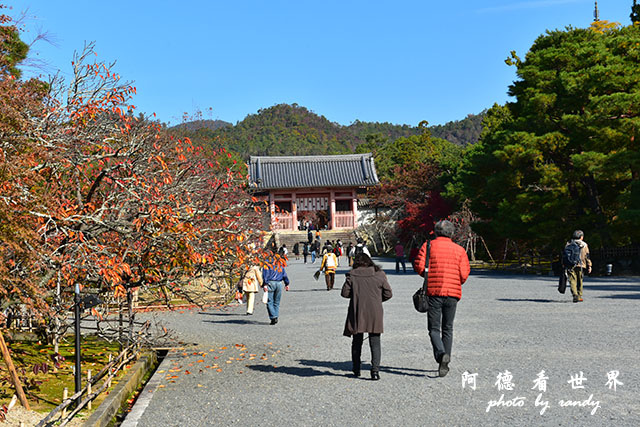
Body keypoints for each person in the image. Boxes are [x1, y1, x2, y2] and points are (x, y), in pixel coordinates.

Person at [413, 220, 470, 378]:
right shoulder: (459, 250)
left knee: (433, 329)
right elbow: (464, 274)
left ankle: (440, 354)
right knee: (448, 328)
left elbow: (419, 266)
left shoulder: (428, 246)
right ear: (451, 233)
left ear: (436, 232)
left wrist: (428, 276)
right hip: (453, 293)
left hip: (434, 291)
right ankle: (445, 359)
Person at [341, 253, 393, 380]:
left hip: (357, 310)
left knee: (357, 341)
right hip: (375, 311)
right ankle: (375, 371)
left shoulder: (352, 275)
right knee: (375, 342)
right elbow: (388, 293)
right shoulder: (379, 274)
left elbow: (344, 293)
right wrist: (377, 300)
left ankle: (356, 368)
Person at [565, 230, 592, 303]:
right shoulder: (584, 245)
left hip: (570, 265)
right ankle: (579, 296)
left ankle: (574, 294)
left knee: (572, 280)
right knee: (580, 280)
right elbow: (587, 256)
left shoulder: (568, 243)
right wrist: (589, 265)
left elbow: (565, 255)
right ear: (581, 237)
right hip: (581, 264)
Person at [262, 261, 291, 325]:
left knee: (269, 301)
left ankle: (273, 316)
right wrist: (287, 284)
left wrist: (265, 284)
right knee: (276, 302)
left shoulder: (267, 263)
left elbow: (265, 275)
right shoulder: (279, 263)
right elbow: (284, 274)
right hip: (279, 283)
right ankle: (275, 316)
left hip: (270, 282)